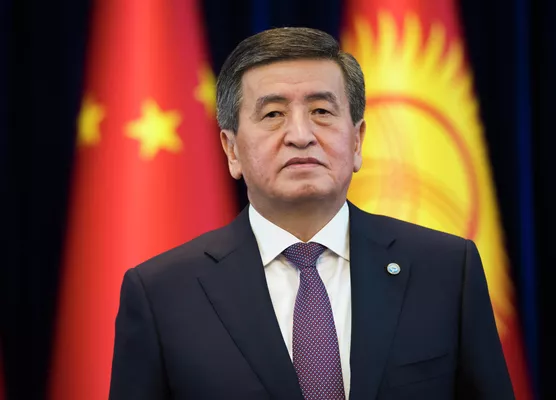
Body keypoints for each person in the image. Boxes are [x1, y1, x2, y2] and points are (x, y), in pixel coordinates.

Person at [109, 27, 514, 400]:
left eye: (321, 111)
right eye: (273, 114)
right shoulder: (162, 294)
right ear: (232, 150)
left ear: (357, 141)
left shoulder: (445, 270)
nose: (301, 136)